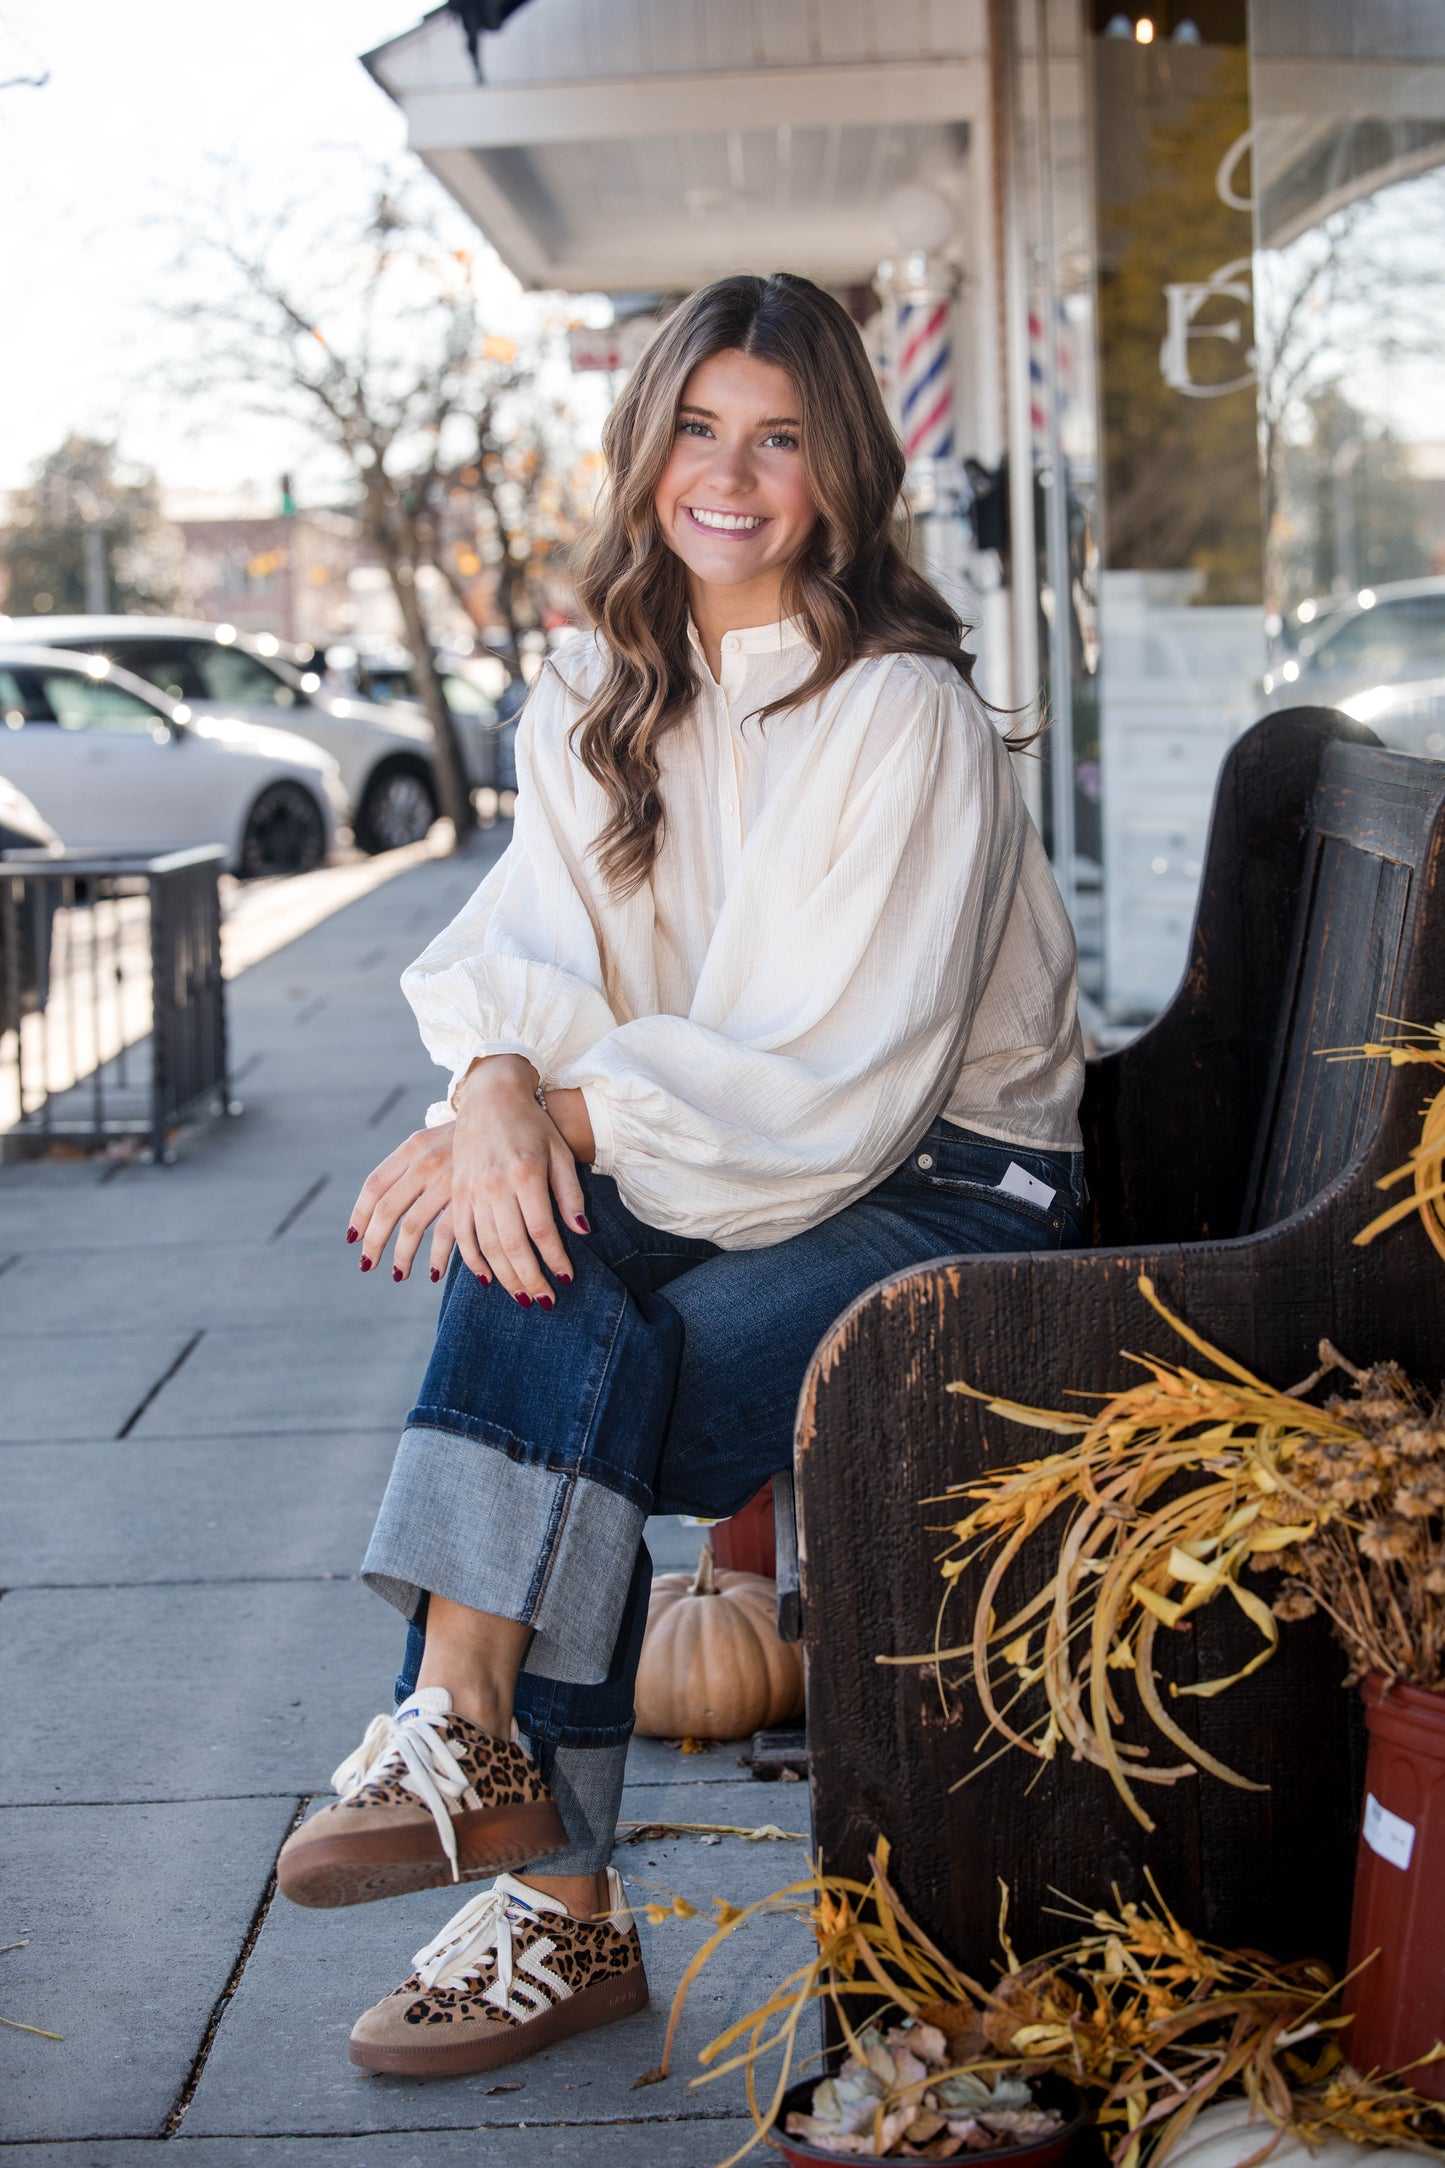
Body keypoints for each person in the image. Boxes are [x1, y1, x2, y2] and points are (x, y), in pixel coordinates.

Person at [275, 271, 1088, 2081]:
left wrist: (540, 1122)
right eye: (698, 429)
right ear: (647, 454)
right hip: (722, 1142)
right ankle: (473, 1746)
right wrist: (493, 1086)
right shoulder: (594, 686)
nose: (732, 473)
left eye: (779, 437)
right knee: (535, 1256)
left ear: (839, 472)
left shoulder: (903, 714)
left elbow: (835, 1073)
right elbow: (533, 951)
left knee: (584, 1366)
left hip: (949, 1186)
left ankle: (527, 1867)